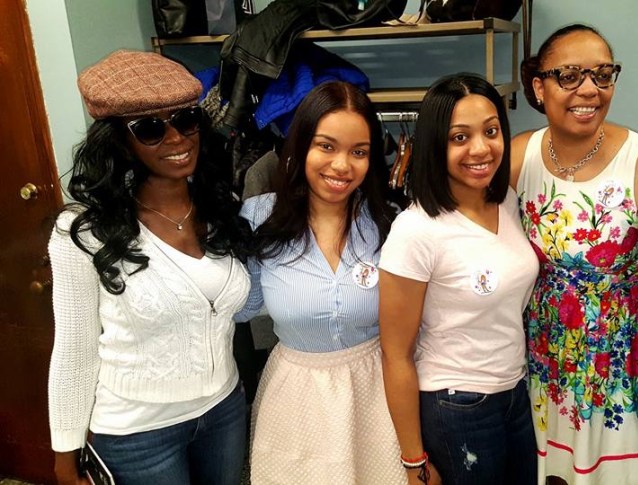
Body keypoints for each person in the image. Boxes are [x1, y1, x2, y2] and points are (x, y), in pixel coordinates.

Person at [48, 50, 251, 485]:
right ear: (120, 141)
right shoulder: (84, 232)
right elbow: (74, 349)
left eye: (186, 120)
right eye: (150, 129)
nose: (176, 139)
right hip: (137, 432)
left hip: (224, 411)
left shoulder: (220, 208)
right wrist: (66, 452)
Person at [513, 24, 638, 483]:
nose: (589, 89)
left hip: (621, 372)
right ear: (539, 87)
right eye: (569, 75)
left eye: (603, 75)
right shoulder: (517, 158)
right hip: (542, 362)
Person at [233, 81, 406, 484]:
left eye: (358, 152)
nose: (342, 165)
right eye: (326, 146)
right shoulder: (259, 217)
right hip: (295, 397)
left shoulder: (389, 222)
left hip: (375, 393)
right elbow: (240, 306)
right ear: (300, 146)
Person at [379, 73, 539, 485]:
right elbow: (395, 355)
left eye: (491, 131)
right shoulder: (416, 230)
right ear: (436, 145)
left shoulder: (507, 201)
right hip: (457, 405)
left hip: (514, 391)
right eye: (460, 137)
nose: (481, 149)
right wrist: (413, 461)